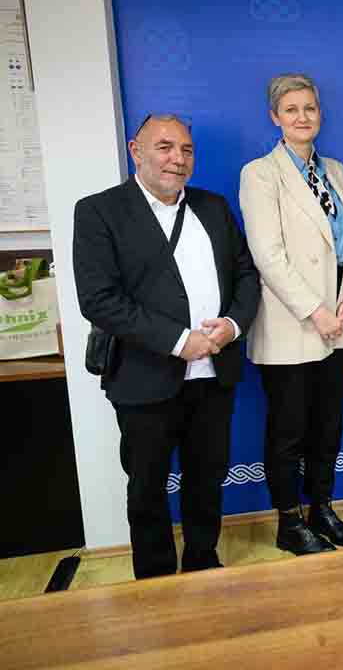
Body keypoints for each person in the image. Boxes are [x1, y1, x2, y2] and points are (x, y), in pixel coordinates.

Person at [74, 113, 259, 578]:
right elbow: (99, 300)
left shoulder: (213, 207)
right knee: (148, 488)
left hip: (214, 375)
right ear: (135, 151)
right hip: (144, 378)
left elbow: (245, 274)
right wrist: (179, 341)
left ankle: (203, 561)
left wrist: (233, 325)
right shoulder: (99, 212)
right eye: (165, 147)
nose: (178, 158)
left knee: (207, 478)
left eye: (186, 150)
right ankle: (154, 581)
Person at [239, 74, 343, 555]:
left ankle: (322, 509)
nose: (302, 117)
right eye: (291, 109)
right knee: (289, 431)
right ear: (275, 117)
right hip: (291, 326)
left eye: (309, 108)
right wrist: (316, 312)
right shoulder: (260, 174)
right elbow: (267, 256)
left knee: (328, 426)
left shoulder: (335, 170)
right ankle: (289, 522)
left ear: (320, 113)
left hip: (341, 325)